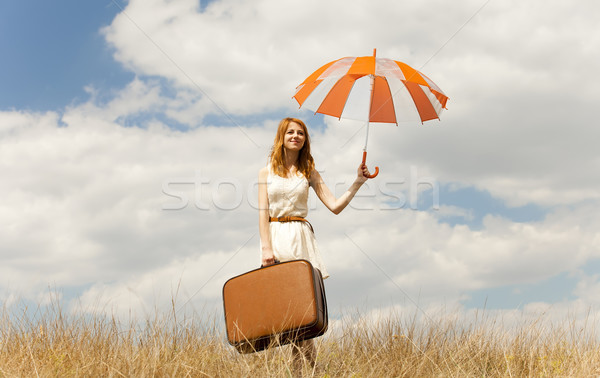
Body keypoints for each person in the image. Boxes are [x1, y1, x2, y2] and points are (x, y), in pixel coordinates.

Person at [258, 117, 372, 371]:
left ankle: (306, 371)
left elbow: (334, 206)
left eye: (301, 133)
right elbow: (262, 213)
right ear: (282, 137)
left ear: (305, 140)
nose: (296, 136)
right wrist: (266, 248)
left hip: (301, 239)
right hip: (276, 238)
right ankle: (315, 370)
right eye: (291, 132)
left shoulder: (309, 171)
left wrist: (357, 182)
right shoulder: (266, 171)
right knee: (284, 313)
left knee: (302, 313)